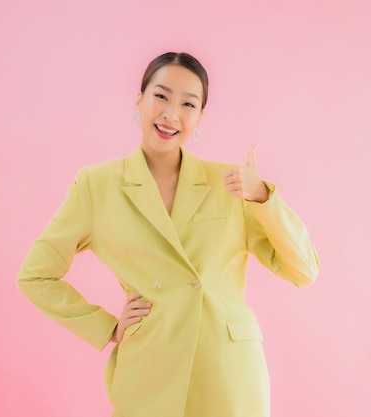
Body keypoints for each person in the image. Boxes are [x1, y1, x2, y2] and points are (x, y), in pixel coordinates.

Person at [17, 51, 319, 417]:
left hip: (227, 371)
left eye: (188, 103)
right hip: (150, 366)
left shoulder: (231, 183)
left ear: (200, 117)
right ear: (139, 99)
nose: (171, 114)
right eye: (161, 96)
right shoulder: (97, 186)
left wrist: (263, 198)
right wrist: (106, 328)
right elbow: (36, 275)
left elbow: (304, 270)